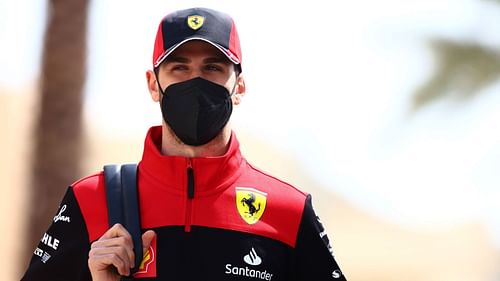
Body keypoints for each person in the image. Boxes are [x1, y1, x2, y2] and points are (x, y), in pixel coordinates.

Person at [21, 7, 347, 281]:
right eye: (179, 68)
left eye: (213, 68)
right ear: (153, 84)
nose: (196, 81)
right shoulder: (91, 200)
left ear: (240, 87)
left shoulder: (287, 210)